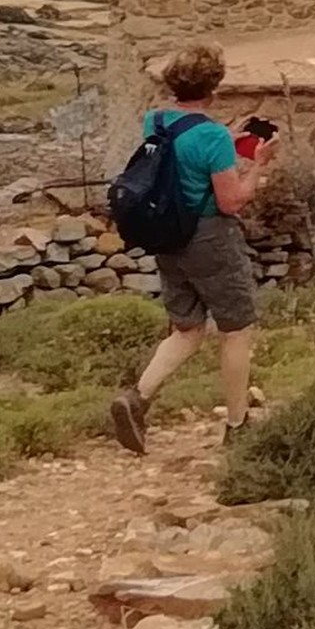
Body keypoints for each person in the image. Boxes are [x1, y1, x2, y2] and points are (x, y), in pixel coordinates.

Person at [109, 43, 274, 455]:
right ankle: (237, 424)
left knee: (187, 328)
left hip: (167, 234)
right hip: (209, 237)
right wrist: (257, 165)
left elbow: (181, 155)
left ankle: (137, 399)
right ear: (214, 85)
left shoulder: (157, 120)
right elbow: (231, 201)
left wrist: (225, 141)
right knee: (236, 330)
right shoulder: (212, 136)